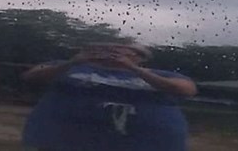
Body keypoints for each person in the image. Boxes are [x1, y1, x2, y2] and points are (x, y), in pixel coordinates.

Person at [21, 41, 197, 151]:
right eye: (106, 49)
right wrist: (74, 61)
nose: (112, 53)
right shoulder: (67, 67)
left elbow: (185, 90)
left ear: (141, 57)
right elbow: (31, 77)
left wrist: (133, 69)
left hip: (143, 143)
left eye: (122, 51)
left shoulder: (161, 74)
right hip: (66, 140)